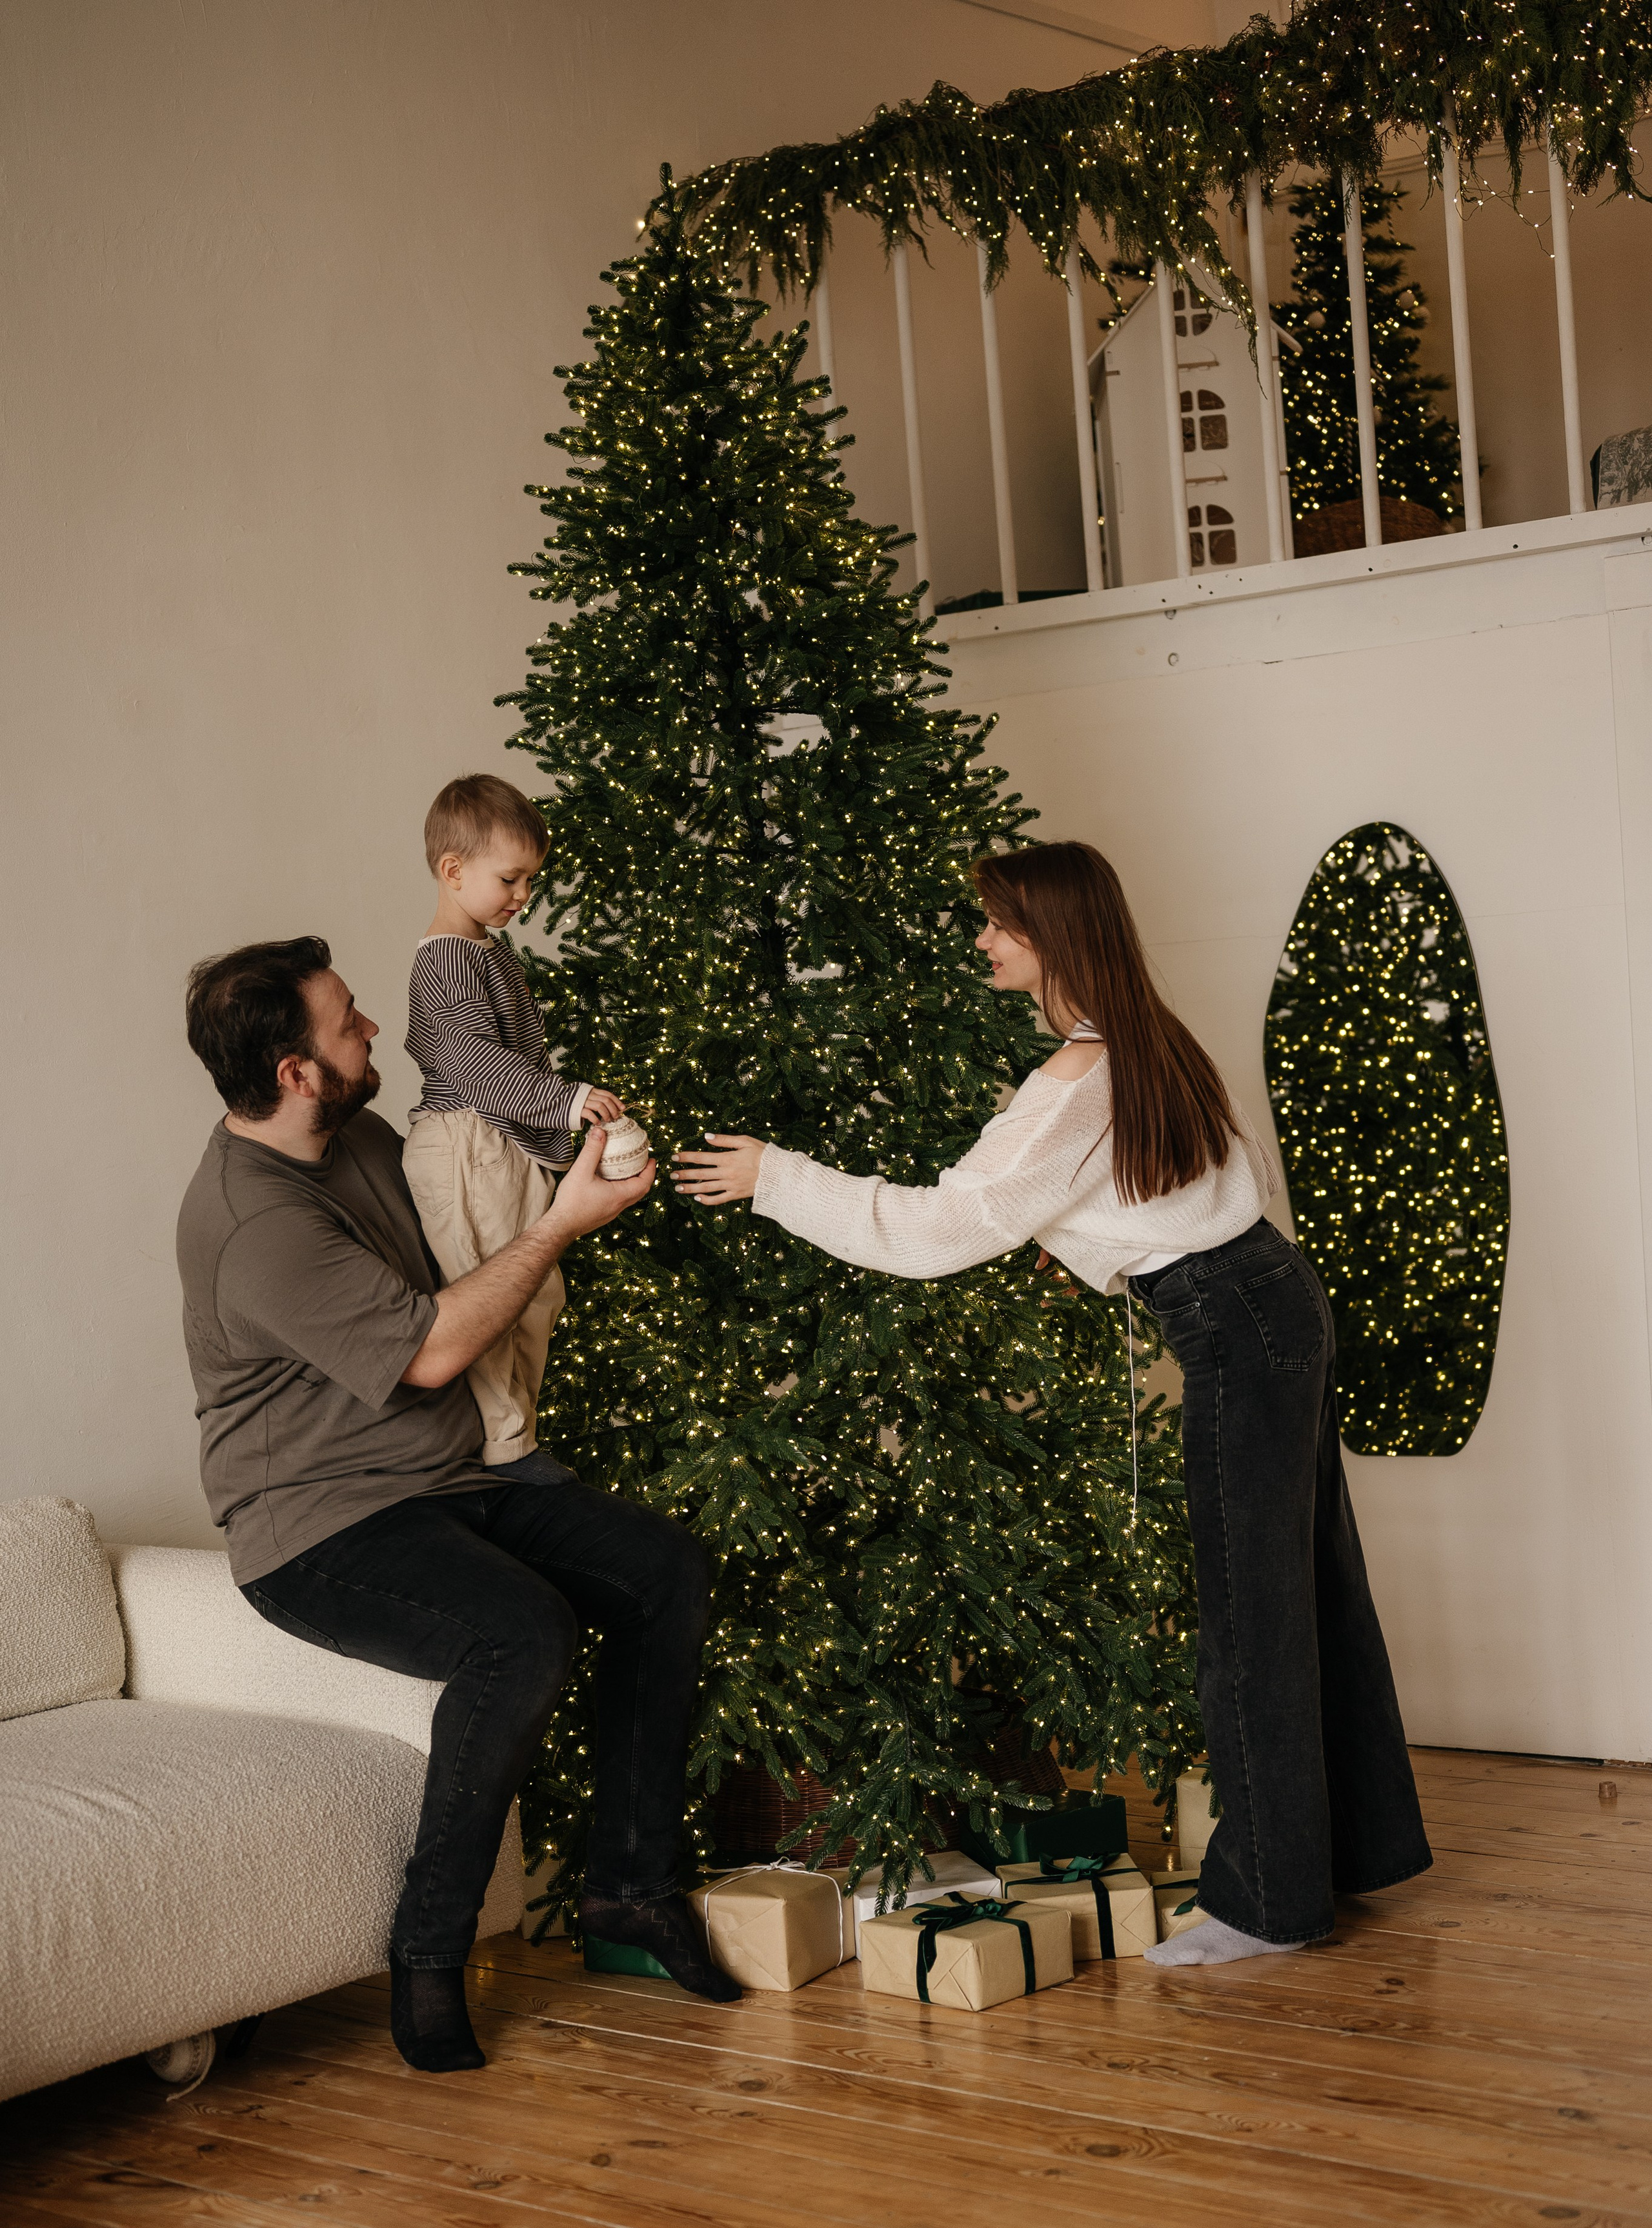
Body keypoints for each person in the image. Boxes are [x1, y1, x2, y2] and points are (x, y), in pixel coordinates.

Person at [672, 841, 1432, 1964]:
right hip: (1274, 1300)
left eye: (998, 923)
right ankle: (1347, 1855)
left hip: (1237, 1326)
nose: (982, 939)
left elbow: (937, 1227)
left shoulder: (1074, 1079)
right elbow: (1186, 1184)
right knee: (1304, 1590)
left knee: (1248, 1620)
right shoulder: (1144, 1035)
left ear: (1052, 936)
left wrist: (776, 1177)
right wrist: (1088, 1240)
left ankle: (1268, 1904)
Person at [177, 935, 740, 2074]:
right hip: (318, 1522)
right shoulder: (256, 1224)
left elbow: (471, 1208)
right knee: (521, 1630)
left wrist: (570, 1156)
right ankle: (428, 1950)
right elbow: (432, 1349)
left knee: (663, 1569)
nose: (372, 1029)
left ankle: (631, 1886)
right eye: (346, 1022)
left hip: (450, 1476)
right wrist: (563, 1225)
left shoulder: (361, 1133)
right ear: (295, 1070)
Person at [401, 774, 623, 1479]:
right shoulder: (444, 961)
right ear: (453, 870)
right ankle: (506, 1446)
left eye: (532, 879)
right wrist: (564, 1100)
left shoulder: (486, 950)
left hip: (500, 1137)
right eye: (512, 878)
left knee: (536, 1289)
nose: (524, 896)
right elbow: (471, 1062)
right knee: (492, 1287)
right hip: (468, 1141)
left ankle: (515, 1433)